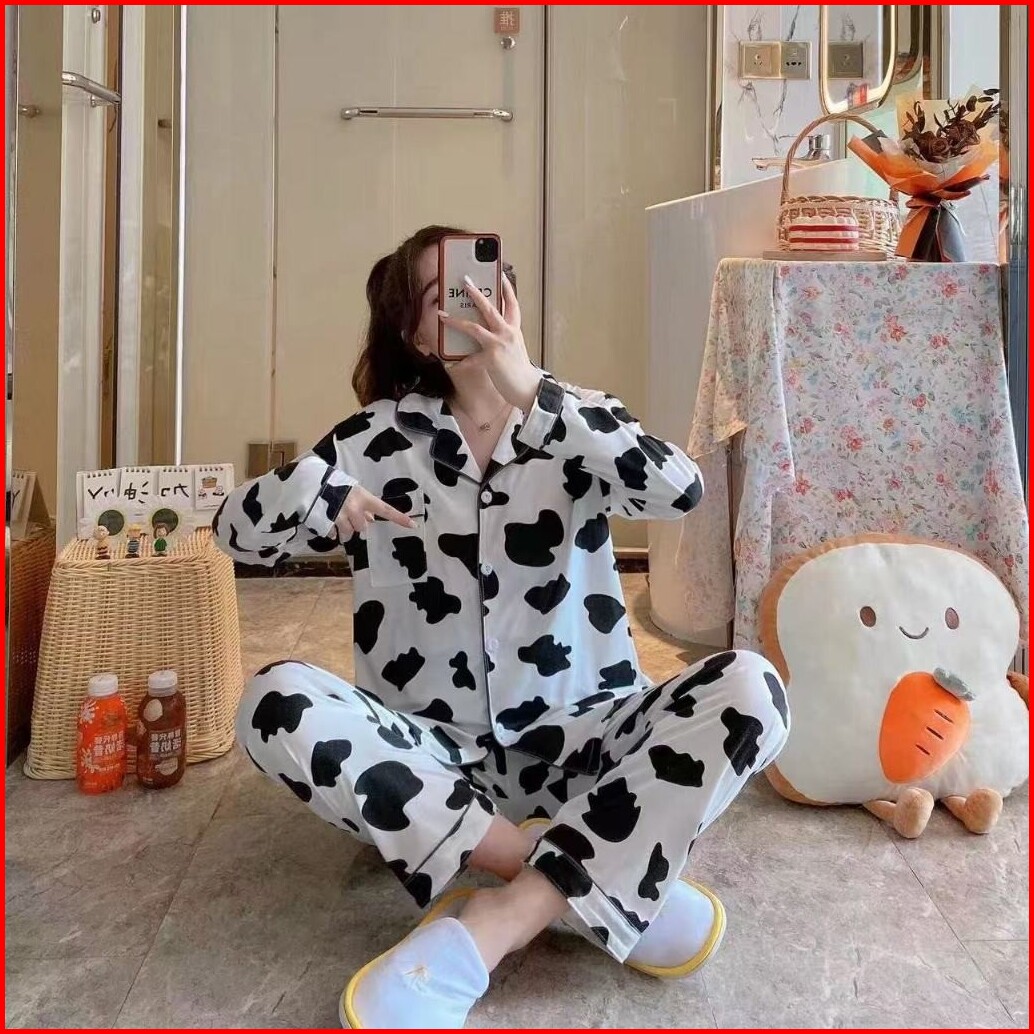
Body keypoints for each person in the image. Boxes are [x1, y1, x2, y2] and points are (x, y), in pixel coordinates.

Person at [213, 225, 790, 1029]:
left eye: (482, 283)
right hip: (434, 758)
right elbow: (233, 536)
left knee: (753, 690)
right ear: (413, 331)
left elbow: (681, 489)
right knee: (272, 702)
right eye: (441, 295)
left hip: (587, 742)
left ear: (510, 299)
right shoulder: (371, 441)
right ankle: (573, 874)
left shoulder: (577, 420)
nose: (469, 303)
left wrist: (533, 392)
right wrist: (312, 491)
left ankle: (497, 920)